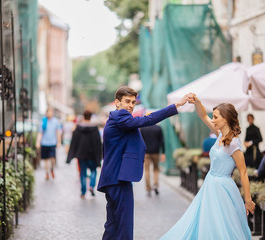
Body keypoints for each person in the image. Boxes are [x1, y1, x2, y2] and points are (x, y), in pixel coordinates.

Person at [97, 86, 192, 240]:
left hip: (112, 177)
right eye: (127, 101)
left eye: (133, 102)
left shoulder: (114, 118)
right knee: (124, 224)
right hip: (118, 178)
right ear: (117, 103)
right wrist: (176, 105)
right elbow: (148, 119)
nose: (130, 105)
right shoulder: (121, 117)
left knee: (113, 224)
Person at [161, 93, 255, 240]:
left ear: (226, 119)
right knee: (205, 221)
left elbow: (243, 172)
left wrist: (248, 200)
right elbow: (203, 116)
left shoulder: (234, 144)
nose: (213, 120)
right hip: (210, 184)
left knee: (222, 224)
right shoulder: (219, 135)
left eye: (216, 117)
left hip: (223, 189)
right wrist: (197, 102)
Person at [66, 110, 102, 199]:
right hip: (92, 154)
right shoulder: (94, 129)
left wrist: (71, 155)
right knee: (93, 171)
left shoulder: (78, 128)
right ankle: (91, 186)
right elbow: (98, 142)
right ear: (90, 117)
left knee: (83, 172)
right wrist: (99, 155)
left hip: (81, 154)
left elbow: (74, 142)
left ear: (83, 116)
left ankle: (83, 192)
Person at [36, 108, 62, 180]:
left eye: (51, 112)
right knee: (46, 160)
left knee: (52, 158)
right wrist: (38, 142)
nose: (50, 114)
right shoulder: (43, 121)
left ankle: (52, 169)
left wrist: (58, 142)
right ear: (46, 113)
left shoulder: (55, 121)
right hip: (44, 143)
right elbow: (40, 133)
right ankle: (47, 173)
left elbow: (58, 132)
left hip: (52, 143)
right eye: (49, 112)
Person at [140, 123, 165, 196]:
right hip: (156, 152)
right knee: (156, 169)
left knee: (147, 170)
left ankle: (148, 188)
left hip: (146, 153)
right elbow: (162, 141)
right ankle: (155, 185)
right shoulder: (158, 128)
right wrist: (163, 152)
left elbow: (140, 141)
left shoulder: (143, 128)